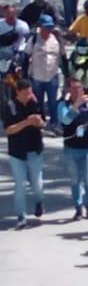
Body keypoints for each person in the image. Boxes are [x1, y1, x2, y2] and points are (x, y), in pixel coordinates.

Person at [56, 76, 88, 219]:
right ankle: (78, 207)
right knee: (75, 181)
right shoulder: (63, 106)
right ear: (68, 90)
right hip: (71, 149)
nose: (77, 91)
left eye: (79, 88)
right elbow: (65, 121)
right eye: (73, 88)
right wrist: (76, 106)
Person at [4, 78, 47, 227]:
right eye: (26, 93)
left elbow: (44, 123)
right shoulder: (9, 106)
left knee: (37, 184)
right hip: (17, 152)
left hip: (34, 149)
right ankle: (21, 216)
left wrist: (39, 122)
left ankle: (39, 201)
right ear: (18, 92)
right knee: (20, 185)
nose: (29, 96)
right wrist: (26, 122)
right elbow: (8, 130)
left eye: (30, 93)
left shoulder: (35, 103)